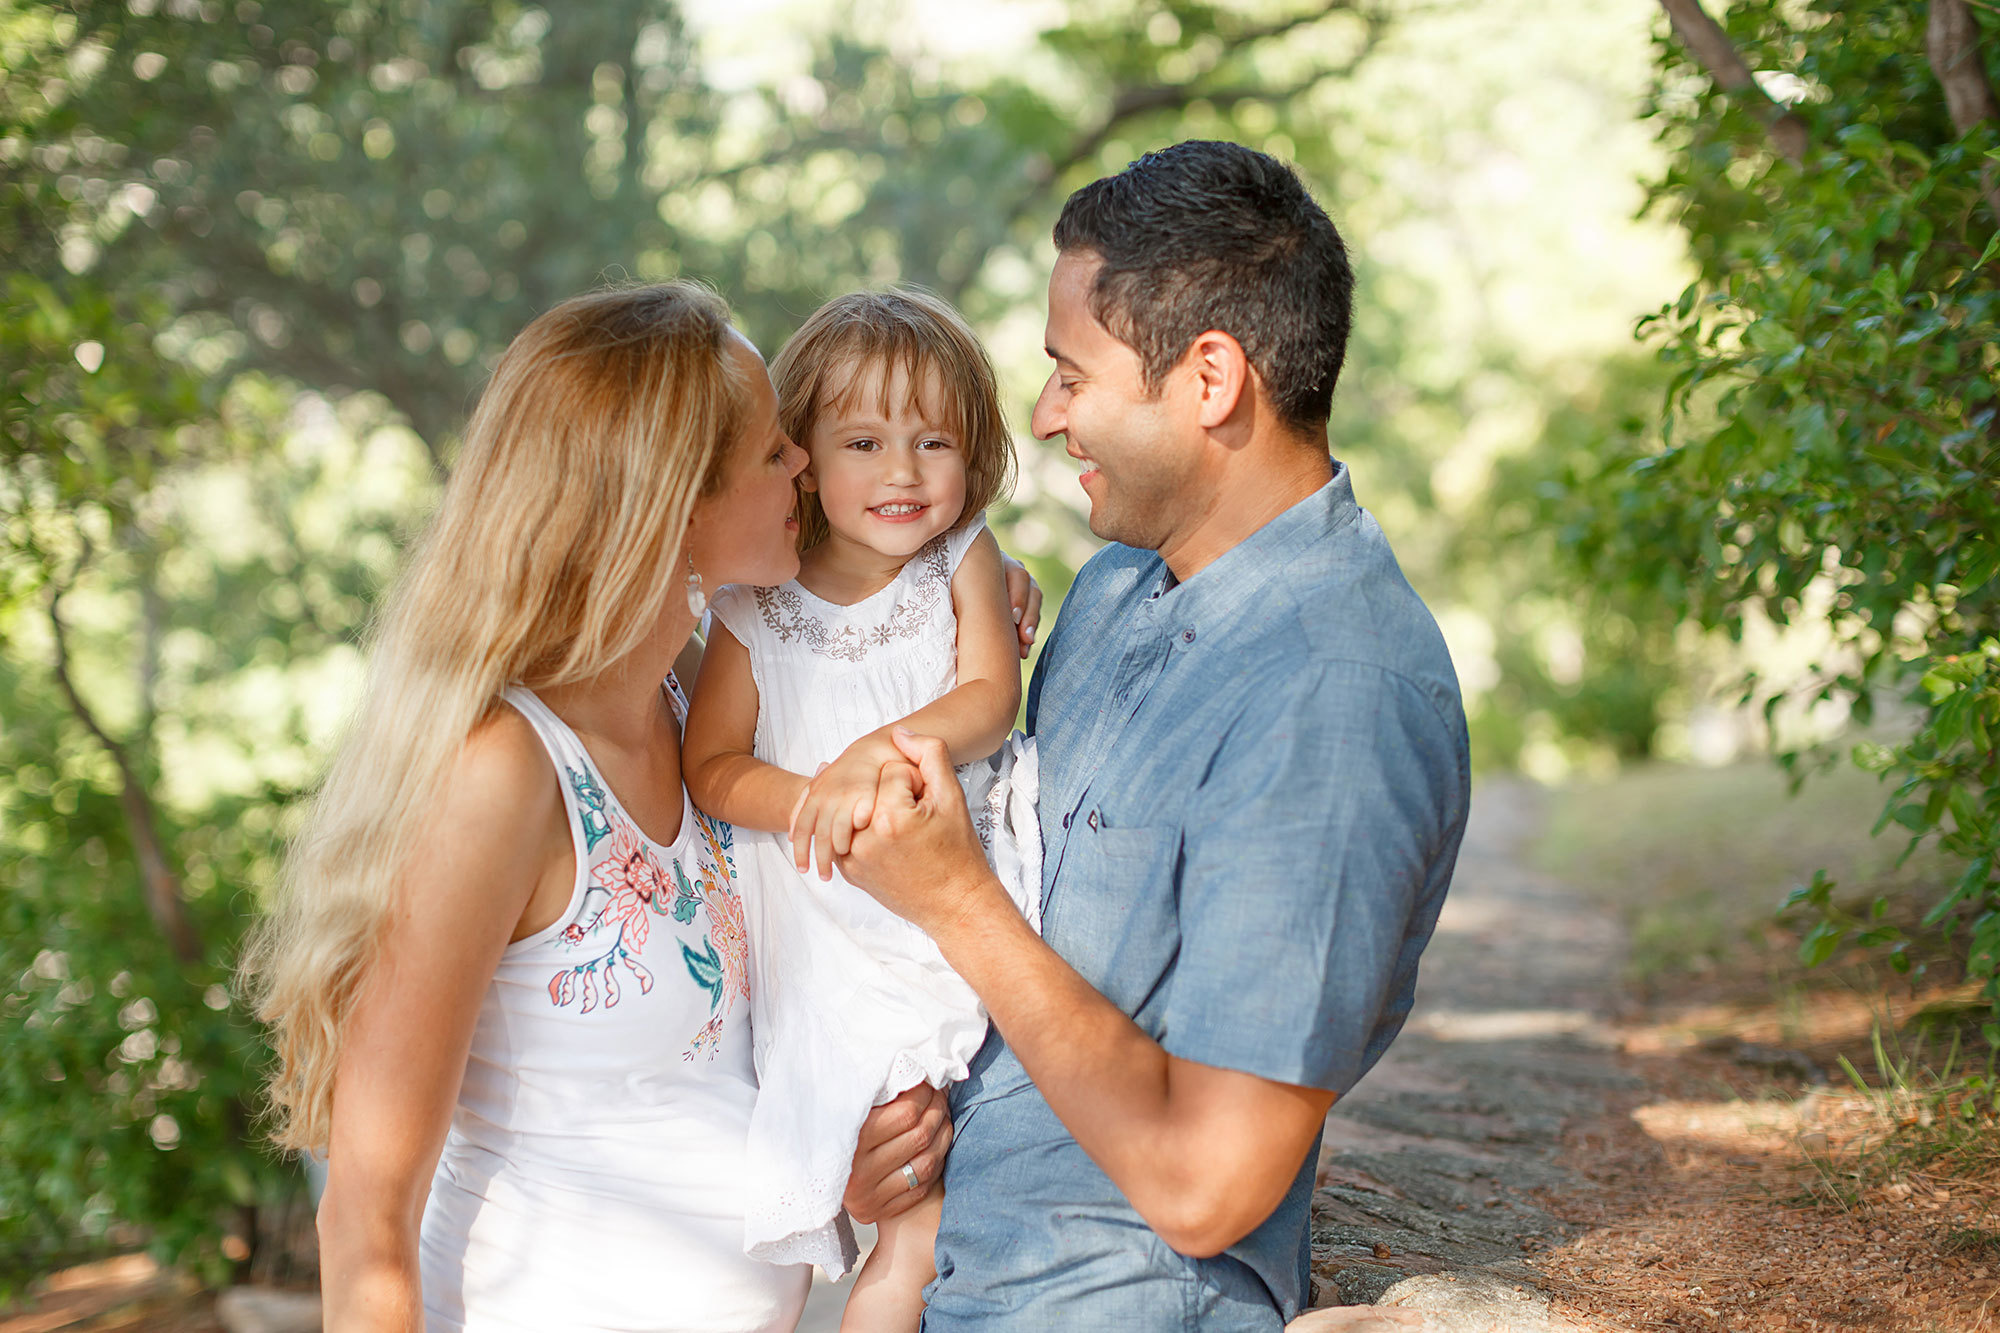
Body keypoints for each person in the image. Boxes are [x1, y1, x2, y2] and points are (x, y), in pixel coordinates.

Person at [238, 282, 1039, 1332]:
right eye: (771, 452)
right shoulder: (504, 775)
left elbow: (673, 1093)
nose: (804, 459)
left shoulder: (688, 701)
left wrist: (958, 585)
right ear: (674, 504)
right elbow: (368, 1212)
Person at [833, 140, 1472, 1330]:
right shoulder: (1118, 588)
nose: (1043, 413)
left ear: (1210, 377)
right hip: (940, 1273)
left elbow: (1206, 1184)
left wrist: (951, 899)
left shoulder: (1332, 692)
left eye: (1071, 374)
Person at [683, 288, 1042, 1333]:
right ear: (799, 451)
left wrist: (869, 757)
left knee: (932, 1216)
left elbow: (987, 696)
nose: (901, 472)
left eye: (934, 441)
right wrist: (817, 796)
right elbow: (711, 764)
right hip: (826, 926)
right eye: (863, 441)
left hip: (949, 902)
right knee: (906, 1209)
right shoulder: (756, 604)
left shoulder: (959, 557)